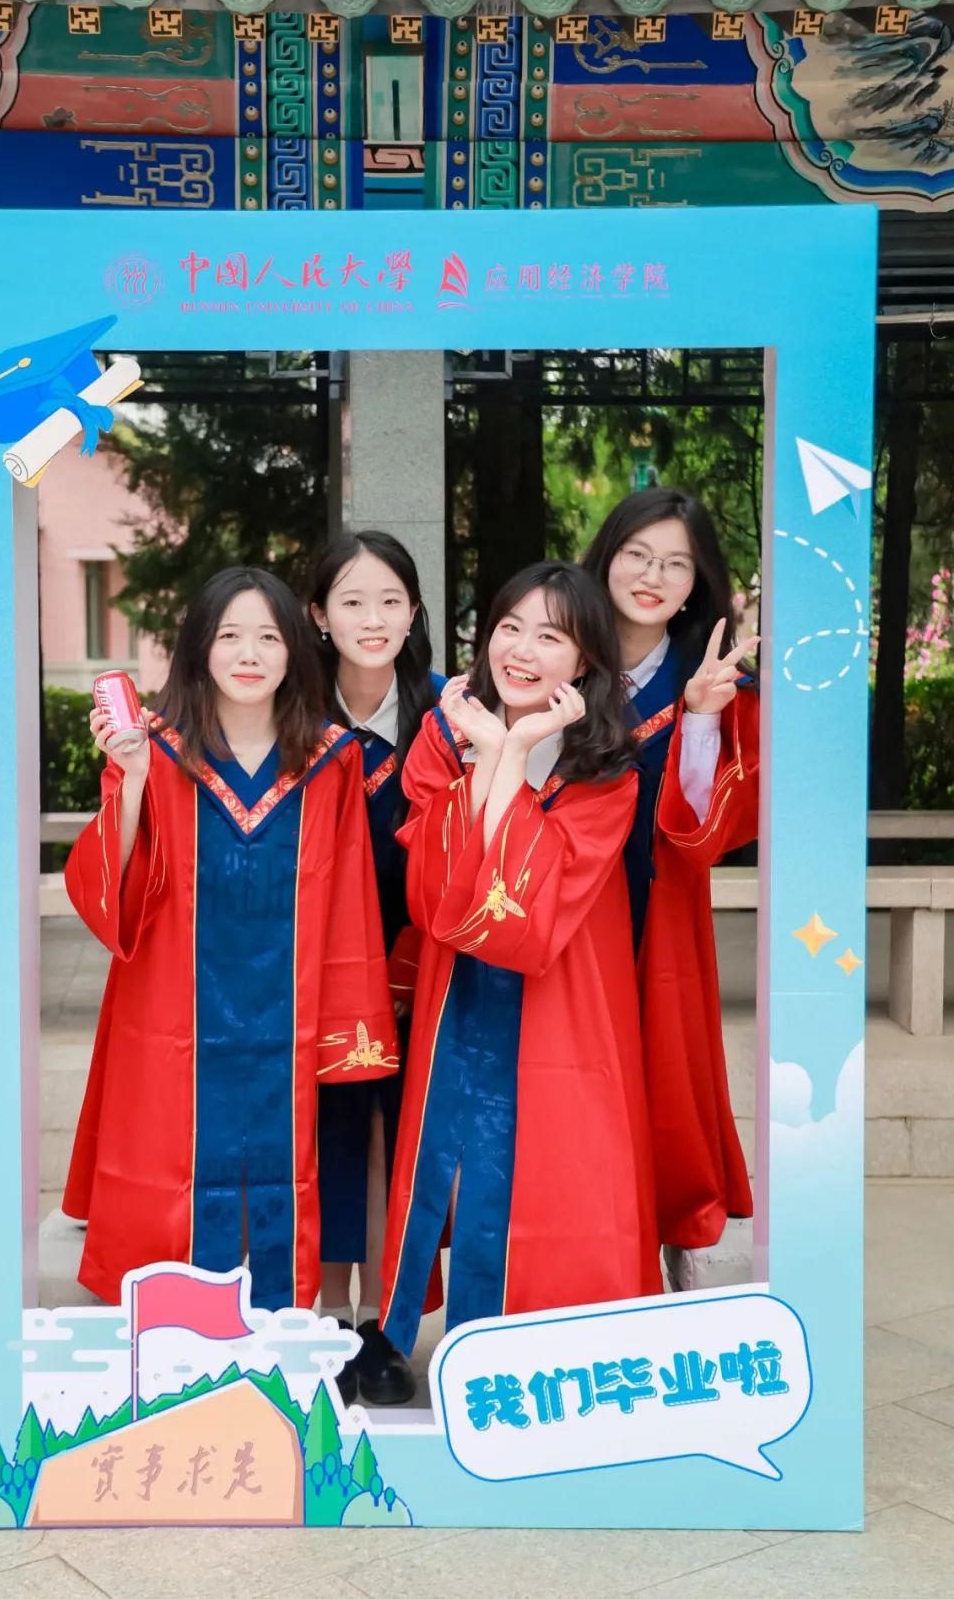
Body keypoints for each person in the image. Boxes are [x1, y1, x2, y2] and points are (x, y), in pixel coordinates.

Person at [62, 567, 398, 1309]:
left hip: (292, 1020)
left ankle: (277, 1332)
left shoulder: (332, 759)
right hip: (175, 1018)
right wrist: (132, 779)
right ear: (199, 648)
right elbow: (113, 895)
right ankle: (177, 1339)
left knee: (287, 1179)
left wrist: (350, 1027)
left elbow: (351, 904)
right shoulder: (154, 749)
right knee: (173, 1179)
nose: (250, 654)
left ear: (294, 651)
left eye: (269, 638)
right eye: (230, 636)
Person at [380, 562, 661, 1355]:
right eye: (509, 627)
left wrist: (516, 750)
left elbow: (530, 914)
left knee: (566, 1167)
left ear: (586, 661)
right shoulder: (445, 736)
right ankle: (447, 1340)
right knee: (452, 1161)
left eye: (550, 636)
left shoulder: (607, 768)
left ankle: (555, 1349)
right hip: (459, 990)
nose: (522, 650)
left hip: (562, 994)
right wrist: (495, 751)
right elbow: (436, 893)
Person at [582, 489, 759, 1264]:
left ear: (696, 584)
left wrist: (703, 716)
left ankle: (664, 1233)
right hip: (566, 908)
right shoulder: (562, 654)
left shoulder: (707, 679)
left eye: (676, 564)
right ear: (607, 558)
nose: (652, 576)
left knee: (662, 1070)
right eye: (638, 555)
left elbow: (705, 826)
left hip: (661, 902)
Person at [307, 530, 442, 1405]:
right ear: (318, 615)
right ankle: (324, 1325)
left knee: (399, 1143)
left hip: (420, 964)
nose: (372, 618)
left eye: (391, 600)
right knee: (326, 1139)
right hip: (316, 970)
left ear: (414, 612)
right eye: (352, 601)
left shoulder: (446, 715)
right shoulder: (290, 713)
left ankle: (387, 1332)